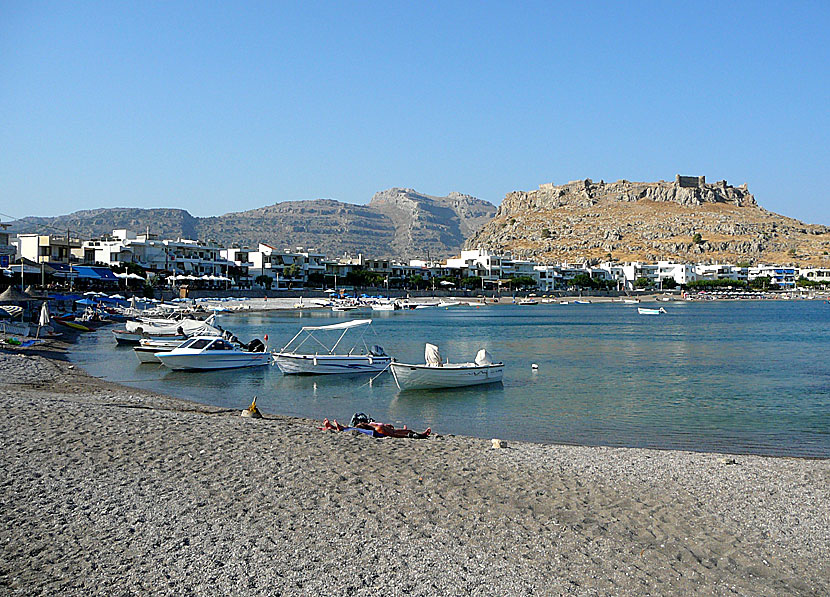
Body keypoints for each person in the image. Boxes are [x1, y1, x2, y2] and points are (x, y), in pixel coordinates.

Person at [318, 418, 430, 439]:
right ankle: (422, 435)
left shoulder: (370, 424)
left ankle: (334, 427)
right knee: (399, 434)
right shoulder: (387, 429)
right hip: (378, 431)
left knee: (355, 429)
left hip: (374, 428)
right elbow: (396, 433)